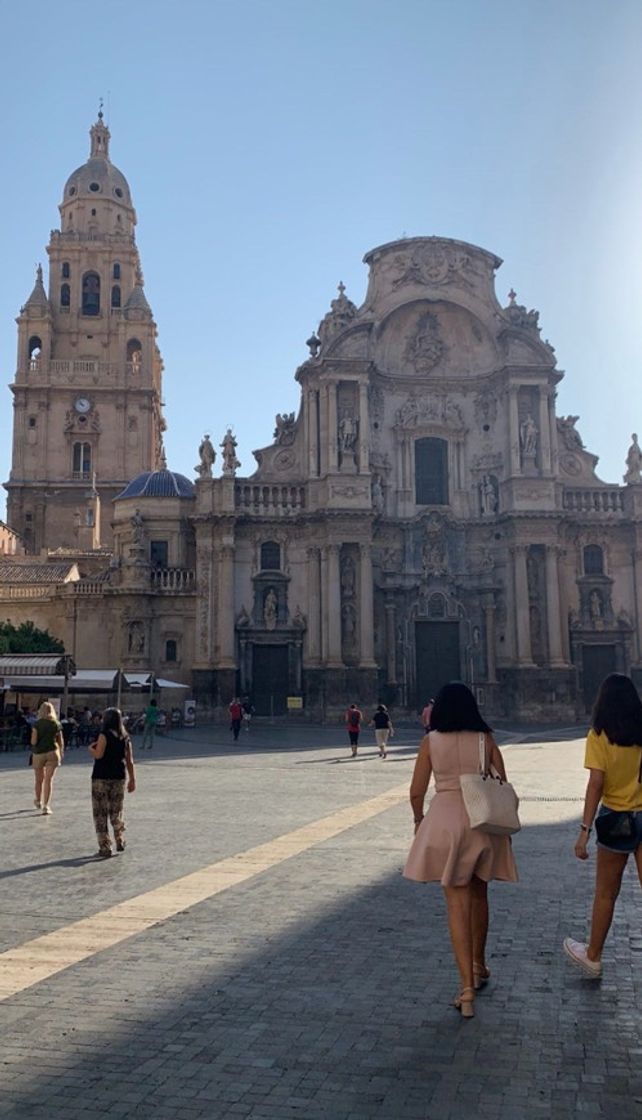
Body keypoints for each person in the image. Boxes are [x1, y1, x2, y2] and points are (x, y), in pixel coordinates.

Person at [403, 682, 518, 1019]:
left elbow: (415, 791)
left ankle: (466, 988)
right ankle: (480, 964)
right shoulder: (486, 740)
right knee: (480, 895)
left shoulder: (430, 742)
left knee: (456, 903)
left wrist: (419, 818)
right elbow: (504, 787)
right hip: (481, 824)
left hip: (446, 822)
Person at [563, 673, 642, 978]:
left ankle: (593, 956)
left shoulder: (599, 735)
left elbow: (596, 782)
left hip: (616, 819)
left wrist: (584, 831)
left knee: (606, 893)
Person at [88, 707, 136, 858]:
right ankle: (119, 838)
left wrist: (90, 749)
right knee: (116, 811)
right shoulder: (125, 737)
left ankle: (105, 846)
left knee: (100, 813)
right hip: (119, 777)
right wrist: (132, 779)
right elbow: (130, 761)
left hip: (101, 777)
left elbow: (99, 754)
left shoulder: (104, 735)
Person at [31, 701, 64, 815]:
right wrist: (61, 752)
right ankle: (46, 805)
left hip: (39, 753)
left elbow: (33, 741)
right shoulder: (56, 723)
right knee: (49, 780)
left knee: (39, 779)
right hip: (52, 752)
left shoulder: (37, 724)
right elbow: (60, 741)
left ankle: (37, 800)